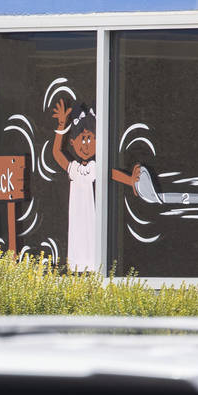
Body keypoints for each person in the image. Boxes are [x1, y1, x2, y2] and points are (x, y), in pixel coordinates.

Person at [50, 100, 140, 272]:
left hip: (92, 216)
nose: (86, 144)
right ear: (73, 142)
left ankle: (93, 268)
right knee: (77, 244)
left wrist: (131, 181)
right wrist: (62, 125)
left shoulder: (94, 168)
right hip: (77, 217)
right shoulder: (75, 169)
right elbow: (56, 153)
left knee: (93, 244)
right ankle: (79, 271)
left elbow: (111, 174)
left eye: (90, 138)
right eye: (82, 139)